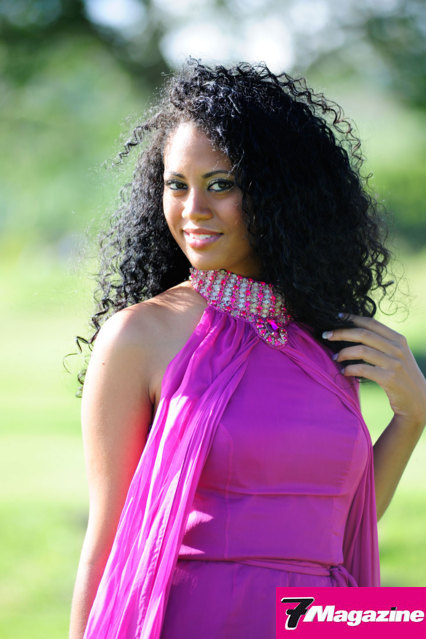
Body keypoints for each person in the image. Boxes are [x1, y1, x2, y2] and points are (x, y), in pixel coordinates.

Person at [69, 60, 426, 639]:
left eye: (221, 185)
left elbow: (342, 523)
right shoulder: (141, 335)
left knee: (410, 621)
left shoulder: (325, 339)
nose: (193, 209)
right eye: (177, 185)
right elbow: (106, 541)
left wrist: (412, 416)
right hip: (198, 619)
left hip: (316, 620)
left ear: (279, 192)